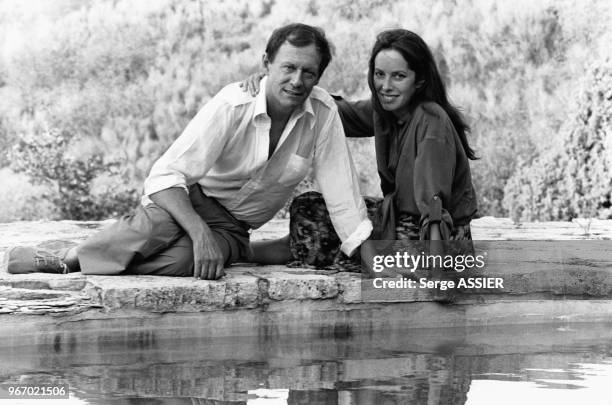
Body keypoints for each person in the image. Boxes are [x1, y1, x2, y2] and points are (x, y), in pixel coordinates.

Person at [4, 23, 372, 280]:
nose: (297, 81)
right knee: (153, 229)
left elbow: (343, 196)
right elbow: (165, 177)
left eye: (308, 72)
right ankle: (70, 257)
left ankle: (102, 254)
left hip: (233, 226)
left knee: (188, 263)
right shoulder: (233, 104)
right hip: (190, 202)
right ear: (266, 64)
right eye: (288, 67)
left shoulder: (323, 115)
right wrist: (199, 232)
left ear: (319, 76)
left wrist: (372, 257)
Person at [244, 29, 477, 272]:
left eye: (398, 76)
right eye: (379, 75)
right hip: (399, 219)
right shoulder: (385, 112)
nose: (385, 86)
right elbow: (332, 112)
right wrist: (271, 83)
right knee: (309, 207)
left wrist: (439, 274)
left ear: (419, 81)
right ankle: (257, 250)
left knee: (334, 232)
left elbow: (434, 206)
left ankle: (263, 251)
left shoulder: (431, 121)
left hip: (435, 238)